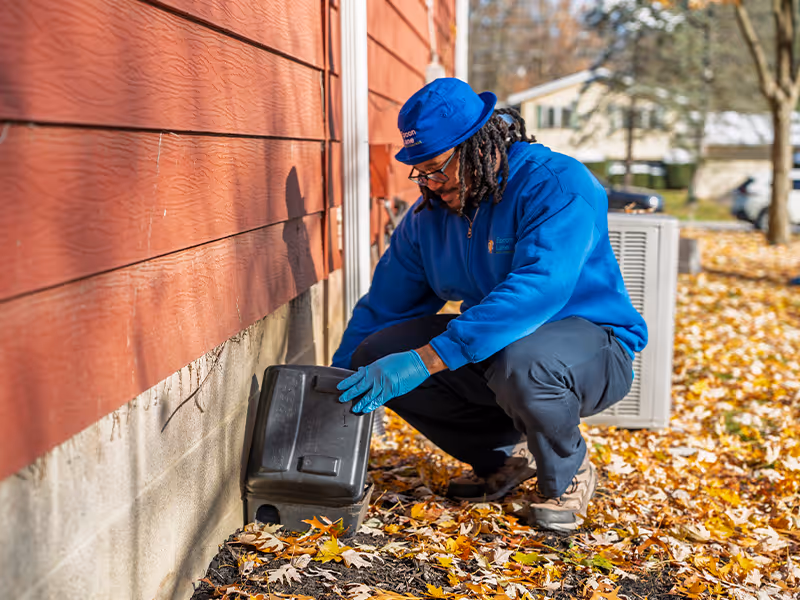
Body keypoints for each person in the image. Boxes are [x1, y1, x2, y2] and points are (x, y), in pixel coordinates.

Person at [332, 78, 647, 532]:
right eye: (419, 172)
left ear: (478, 145)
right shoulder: (429, 217)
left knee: (524, 361)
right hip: (500, 350)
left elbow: (541, 286)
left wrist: (427, 360)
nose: (430, 184)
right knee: (375, 352)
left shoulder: (555, 184)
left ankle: (567, 471)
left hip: (592, 347)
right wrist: (338, 386)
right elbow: (385, 304)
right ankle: (502, 459)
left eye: (438, 168)